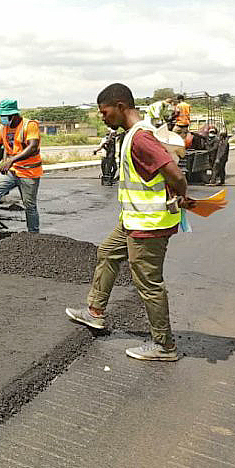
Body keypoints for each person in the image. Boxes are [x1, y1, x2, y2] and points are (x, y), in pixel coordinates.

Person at [66, 83, 189, 361]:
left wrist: (183, 196)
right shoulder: (131, 135)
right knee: (107, 252)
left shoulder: (141, 139)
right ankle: (95, 312)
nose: (103, 117)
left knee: (148, 283)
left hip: (149, 225)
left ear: (120, 107)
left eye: (105, 112)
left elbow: (176, 175)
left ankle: (164, 345)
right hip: (132, 221)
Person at [0, 99, 42, 238]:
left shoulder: (29, 125)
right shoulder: (3, 128)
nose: (3, 119)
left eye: (5, 116)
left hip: (29, 172)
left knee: (29, 205)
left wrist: (11, 160)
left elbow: (32, 146)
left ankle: (34, 236)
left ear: (14, 115)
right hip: (11, 171)